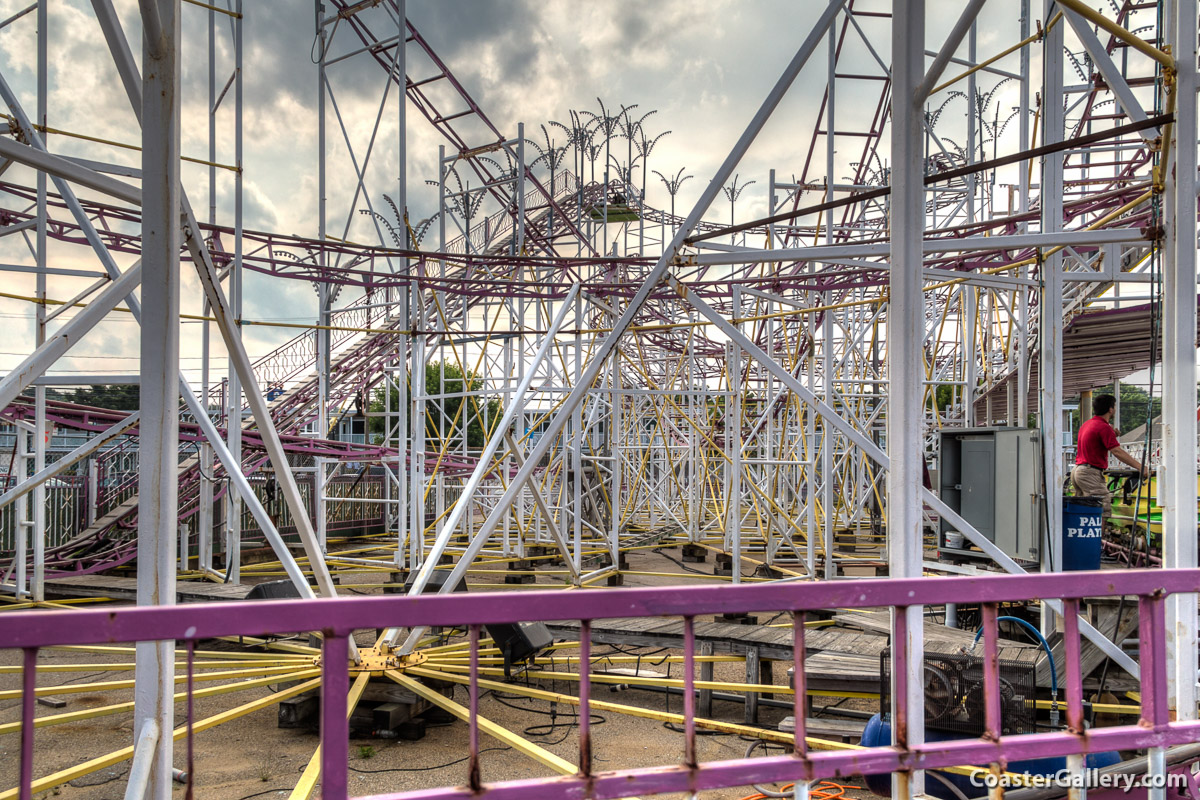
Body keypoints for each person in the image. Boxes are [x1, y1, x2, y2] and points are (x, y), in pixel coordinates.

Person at [1071, 394, 1149, 523]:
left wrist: (1111, 432)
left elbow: (1095, 439)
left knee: (1085, 510)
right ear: (1111, 409)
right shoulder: (1103, 427)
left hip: (1078, 470)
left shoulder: (1088, 424)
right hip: (1090, 472)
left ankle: (1085, 540)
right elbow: (1117, 451)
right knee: (1101, 508)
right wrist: (1140, 466)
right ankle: (1097, 542)